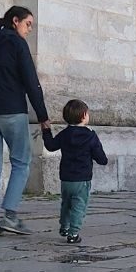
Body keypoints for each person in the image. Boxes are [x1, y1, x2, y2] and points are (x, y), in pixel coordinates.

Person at [0, 6, 50, 237]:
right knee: (21, 161)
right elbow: (31, 81)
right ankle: (10, 216)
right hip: (11, 110)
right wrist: (43, 116)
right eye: (28, 24)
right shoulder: (16, 44)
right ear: (15, 21)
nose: (29, 29)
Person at [42, 99, 107, 244]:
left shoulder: (65, 134)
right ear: (84, 116)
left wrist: (46, 130)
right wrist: (103, 159)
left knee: (66, 204)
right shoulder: (90, 135)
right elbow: (100, 157)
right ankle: (73, 233)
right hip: (82, 179)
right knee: (79, 206)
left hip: (65, 178)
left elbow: (51, 146)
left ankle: (64, 227)